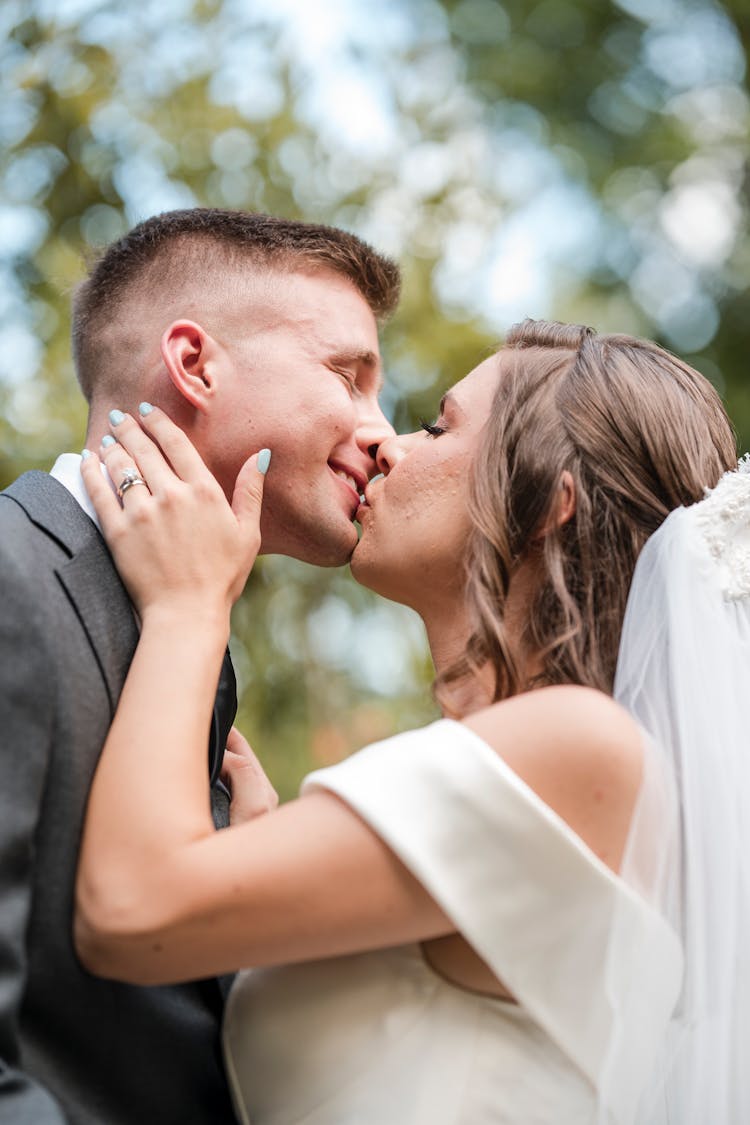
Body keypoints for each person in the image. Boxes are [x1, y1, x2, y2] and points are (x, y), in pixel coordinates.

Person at [74, 320, 740, 1123]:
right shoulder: (535, 769)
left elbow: (129, 911)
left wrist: (186, 606)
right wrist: (267, 848)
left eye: (438, 424)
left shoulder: (582, 743)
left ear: (549, 504)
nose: (388, 443)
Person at [0, 208, 399, 1123]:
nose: (382, 435)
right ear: (195, 364)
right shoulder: (13, 580)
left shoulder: (190, 632)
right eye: (348, 375)